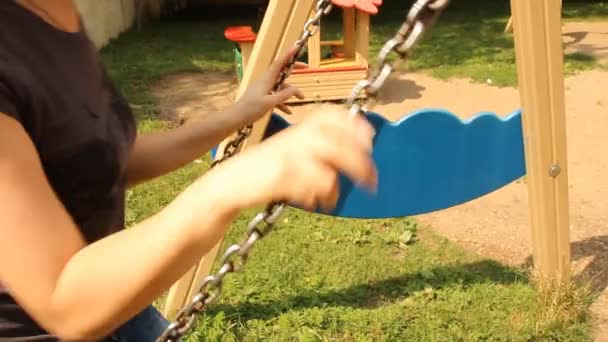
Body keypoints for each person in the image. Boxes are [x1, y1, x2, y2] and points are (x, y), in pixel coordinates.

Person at [0, 0, 377, 341]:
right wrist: (227, 184)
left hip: (119, 300)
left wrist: (240, 111)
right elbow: (63, 304)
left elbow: (112, 157)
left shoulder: (58, 15)